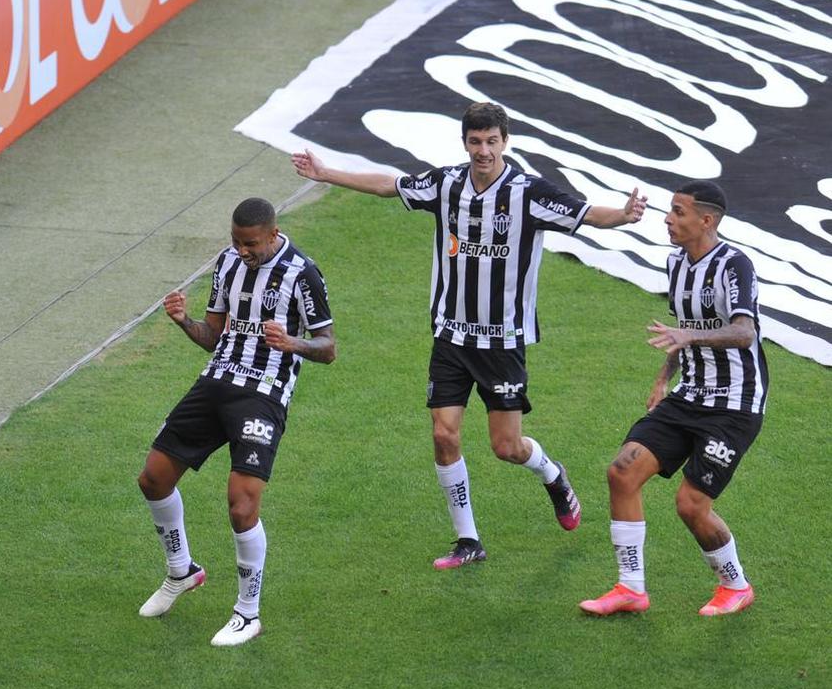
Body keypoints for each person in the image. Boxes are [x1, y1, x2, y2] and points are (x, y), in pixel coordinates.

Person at [291, 101, 645, 569]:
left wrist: (623, 214)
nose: (483, 151)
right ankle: (468, 540)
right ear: (465, 142)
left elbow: (586, 215)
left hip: (502, 342)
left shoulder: (529, 193)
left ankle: (553, 475)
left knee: (507, 447)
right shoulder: (446, 184)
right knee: (443, 435)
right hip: (451, 337)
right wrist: (326, 173)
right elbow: (389, 184)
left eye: (491, 142)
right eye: (475, 142)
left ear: (505, 142)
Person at [136, 197, 336, 646]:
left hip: (263, 395)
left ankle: (248, 612)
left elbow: (328, 347)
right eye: (236, 241)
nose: (242, 251)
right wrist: (184, 321)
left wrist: (292, 344)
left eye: (250, 244)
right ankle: (181, 571)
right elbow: (213, 336)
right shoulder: (227, 263)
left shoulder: (303, 273)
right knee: (153, 478)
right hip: (216, 382)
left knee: (242, 506)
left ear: (272, 234)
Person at [580, 180, 767, 616]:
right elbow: (680, 331)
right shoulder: (677, 263)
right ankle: (630, 589)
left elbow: (744, 332)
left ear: (707, 220)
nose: (668, 218)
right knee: (622, 473)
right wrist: (663, 378)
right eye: (670, 210)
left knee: (690, 505)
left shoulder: (735, 266)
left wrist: (688, 335)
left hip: (733, 404)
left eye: (679, 212)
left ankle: (735, 585)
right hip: (687, 396)